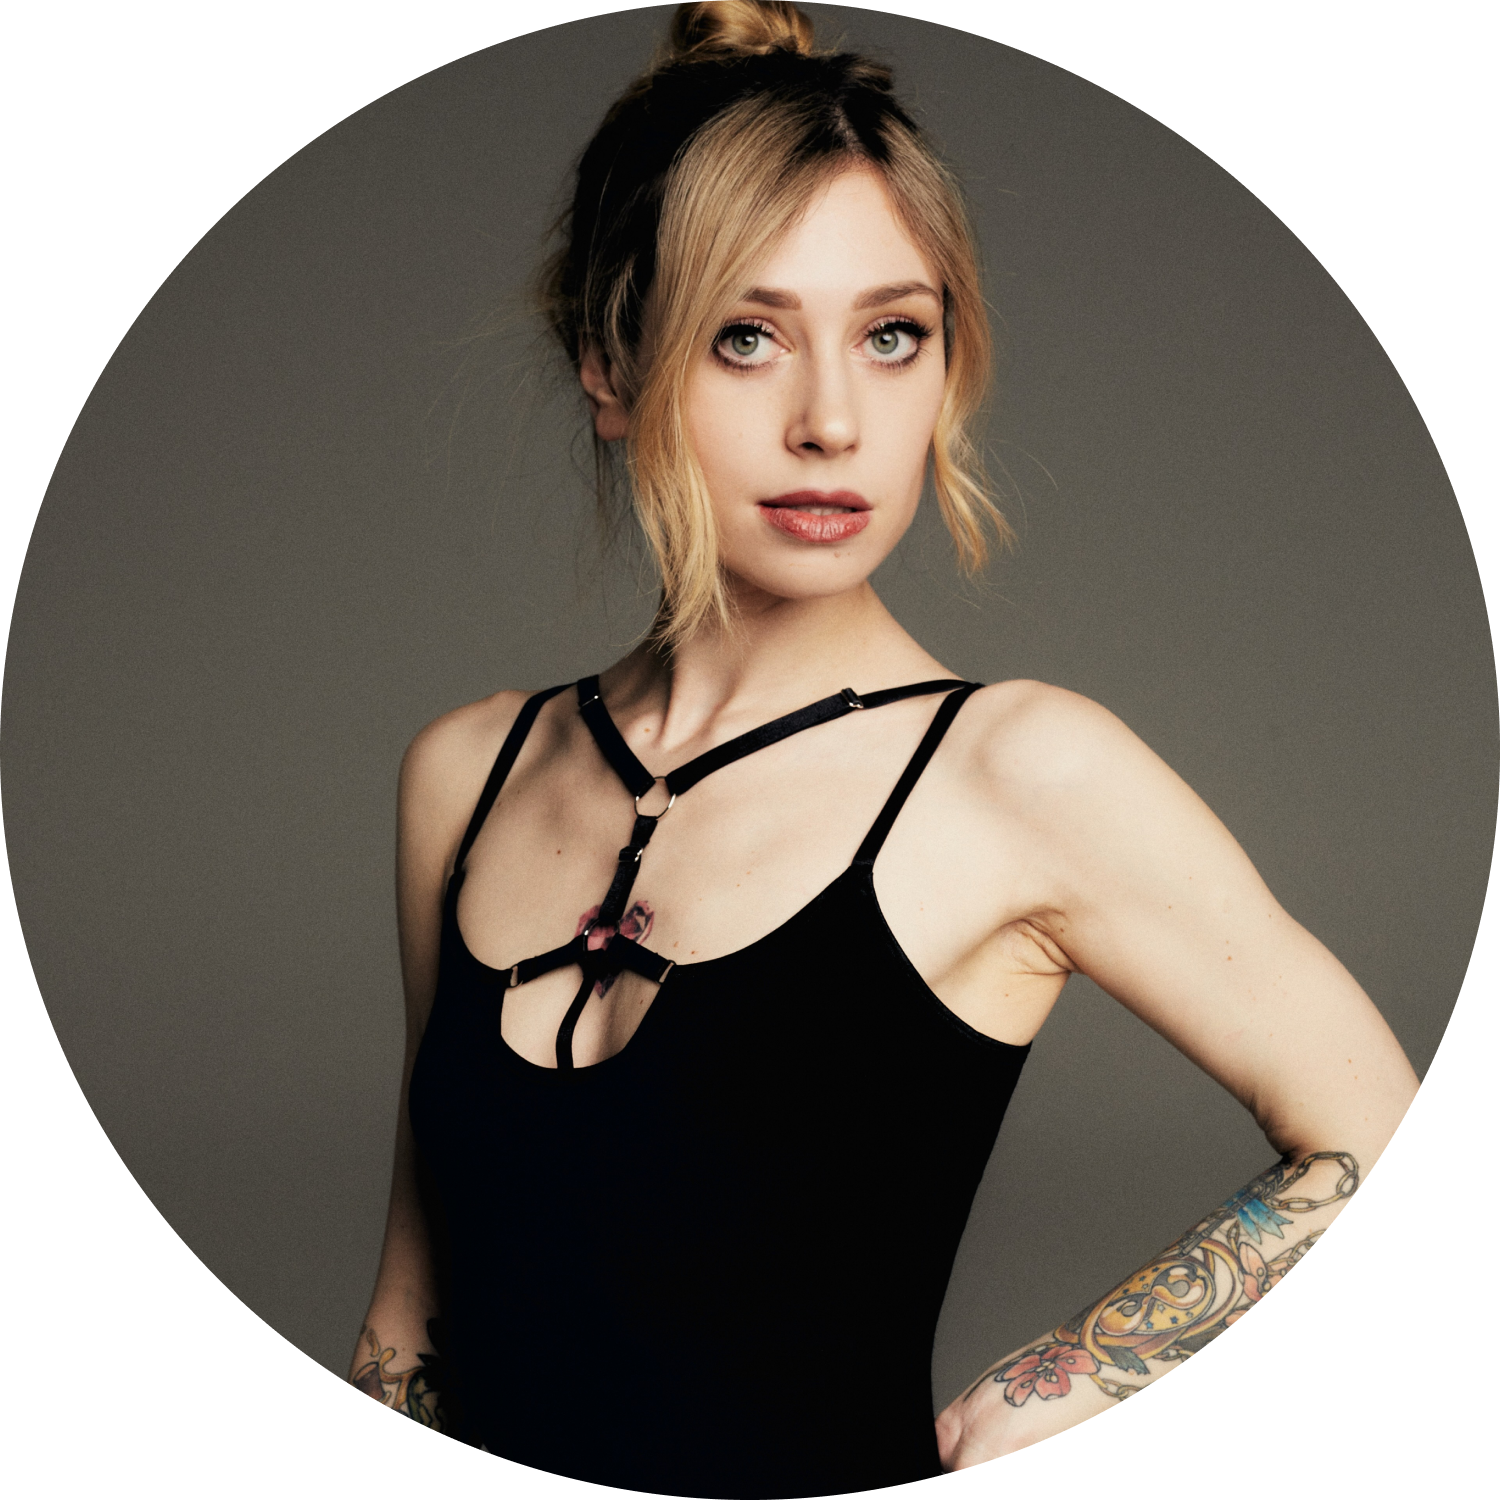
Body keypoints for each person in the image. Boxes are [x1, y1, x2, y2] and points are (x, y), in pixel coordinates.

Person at [348, 3, 1419, 1491]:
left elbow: (1368, 1129)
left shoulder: (1020, 773)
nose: (832, 422)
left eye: (892, 336)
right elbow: (409, 1318)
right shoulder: (468, 775)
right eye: (746, 338)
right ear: (609, 361)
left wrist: (1056, 1394)